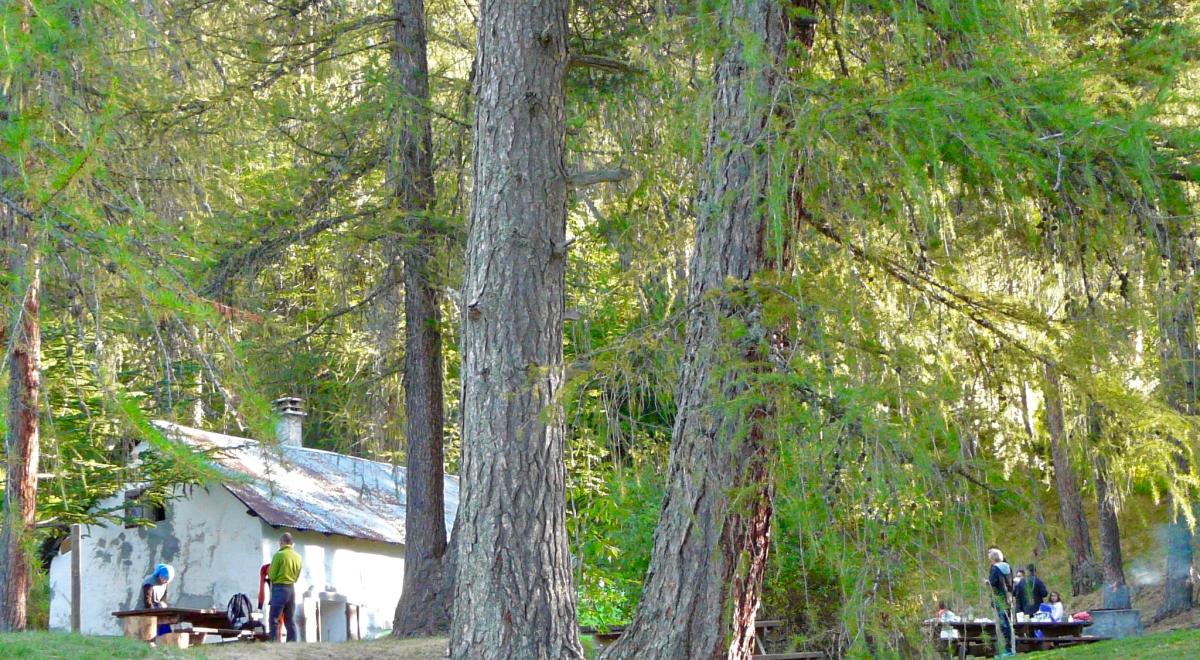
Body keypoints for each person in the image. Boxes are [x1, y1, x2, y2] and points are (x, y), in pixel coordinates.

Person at [267, 532, 302, 642]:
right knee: (290, 619)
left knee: (274, 618)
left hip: (279, 588)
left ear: (282, 542)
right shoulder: (298, 557)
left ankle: (273, 642)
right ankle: (292, 642)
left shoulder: (279, 555)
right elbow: (297, 576)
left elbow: (272, 575)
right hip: (291, 589)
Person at [986, 547, 1015, 657]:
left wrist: (987, 582)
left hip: (999, 599)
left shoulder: (995, 569)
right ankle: (1011, 647)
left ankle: (1007, 650)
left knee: (1003, 625)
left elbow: (993, 583)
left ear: (992, 559)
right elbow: (1011, 583)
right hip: (1008, 598)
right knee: (1008, 623)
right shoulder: (1008, 567)